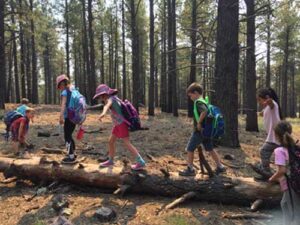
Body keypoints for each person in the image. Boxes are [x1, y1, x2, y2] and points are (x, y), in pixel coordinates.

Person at [93, 84, 146, 170]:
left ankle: (140, 161)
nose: (100, 98)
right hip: (117, 125)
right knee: (111, 142)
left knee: (127, 143)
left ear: (105, 94)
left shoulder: (110, 99)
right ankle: (110, 160)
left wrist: (103, 113)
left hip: (121, 124)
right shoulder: (114, 98)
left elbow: (107, 105)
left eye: (100, 96)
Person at [179, 82, 225, 176]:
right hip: (207, 132)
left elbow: (204, 111)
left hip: (200, 131)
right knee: (210, 148)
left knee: (190, 148)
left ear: (195, 93)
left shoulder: (199, 102)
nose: (190, 98)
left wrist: (199, 123)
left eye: (190, 95)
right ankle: (220, 167)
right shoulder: (204, 101)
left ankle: (190, 169)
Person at [269, 121, 300, 225]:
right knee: (285, 204)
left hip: (292, 185)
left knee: (292, 212)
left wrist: (272, 179)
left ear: (277, 135)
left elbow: (282, 171)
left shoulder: (280, 151)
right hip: (296, 183)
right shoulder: (296, 148)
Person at [252, 88, 282, 179]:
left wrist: (268, 100)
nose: (259, 102)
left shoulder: (273, 104)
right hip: (274, 136)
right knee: (271, 153)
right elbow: (265, 112)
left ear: (266, 98)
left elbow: (271, 103)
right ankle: (269, 170)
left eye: (259, 100)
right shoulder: (268, 107)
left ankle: (267, 172)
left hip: (275, 137)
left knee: (264, 151)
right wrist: (261, 113)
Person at [56, 74, 77, 163]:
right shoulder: (73, 90)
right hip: (75, 116)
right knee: (69, 135)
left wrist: (61, 116)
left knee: (67, 136)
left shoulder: (65, 92)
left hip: (68, 117)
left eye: (59, 85)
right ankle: (73, 153)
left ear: (62, 84)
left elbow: (63, 104)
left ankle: (71, 156)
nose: (59, 87)